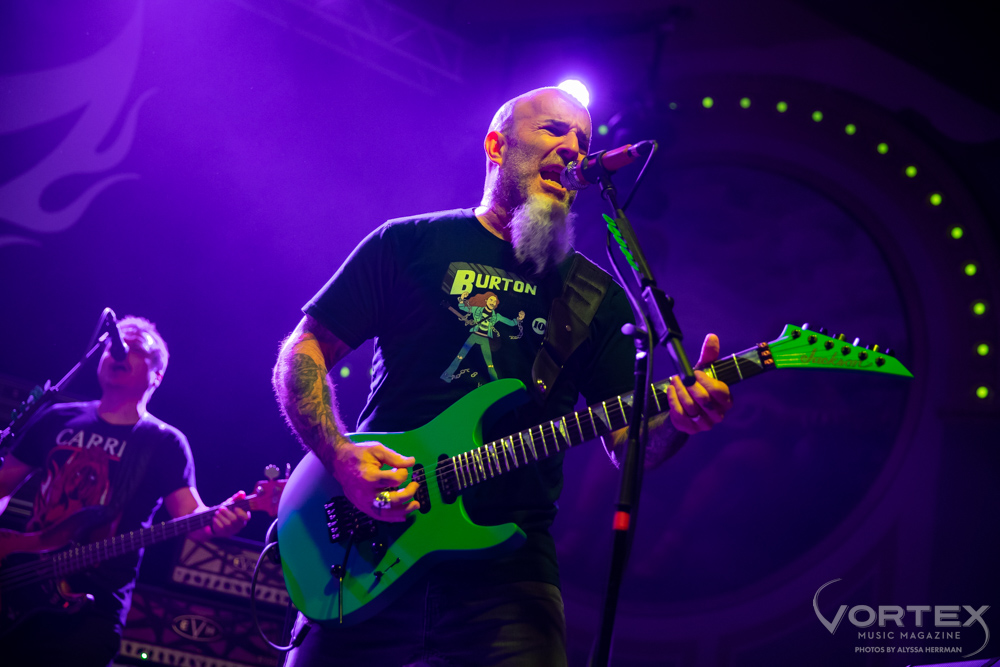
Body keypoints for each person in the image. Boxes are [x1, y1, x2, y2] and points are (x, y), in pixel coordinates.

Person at [271, 87, 733, 666]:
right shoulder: (410, 242)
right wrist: (340, 454)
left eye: (583, 142)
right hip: (368, 535)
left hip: (509, 578)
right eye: (553, 131)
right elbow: (306, 347)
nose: (572, 149)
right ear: (497, 146)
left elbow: (628, 443)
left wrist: (680, 422)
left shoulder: (596, 295)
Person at [0, 316, 250, 667]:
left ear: (156, 376)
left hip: (92, 608)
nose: (120, 352)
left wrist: (221, 522)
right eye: (113, 346)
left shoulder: (165, 443)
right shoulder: (57, 418)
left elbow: (191, 517)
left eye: (136, 350)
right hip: (16, 582)